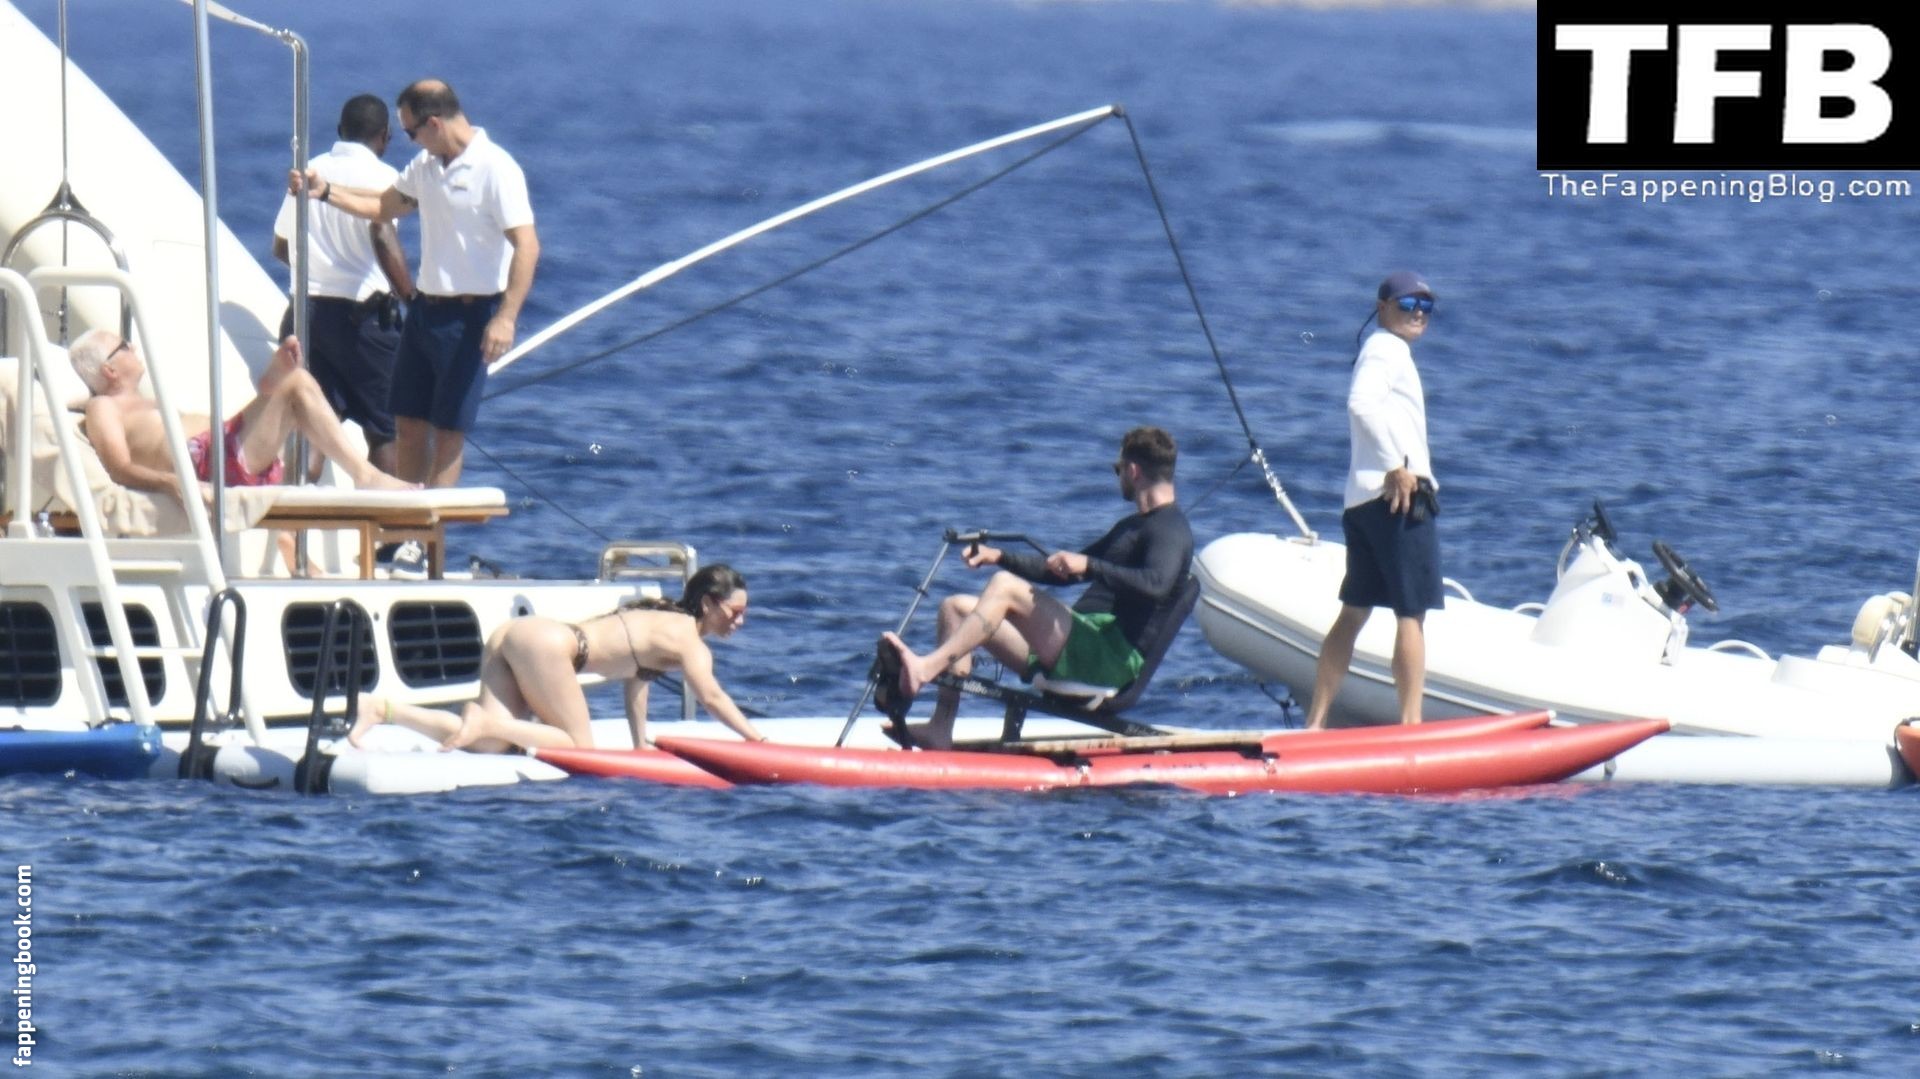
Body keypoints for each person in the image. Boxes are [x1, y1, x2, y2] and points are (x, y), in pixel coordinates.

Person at [290, 78, 539, 489]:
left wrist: (506, 318)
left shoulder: (496, 168)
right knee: (407, 424)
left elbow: (526, 245)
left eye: (410, 132)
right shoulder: (425, 167)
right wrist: (326, 191)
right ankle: (405, 518)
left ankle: (432, 527)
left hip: (470, 317)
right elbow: (382, 206)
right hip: (425, 311)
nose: (408, 141)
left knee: (448, 432)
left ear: (434, 123)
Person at [883, 426, 1194, 749]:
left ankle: (924, 670)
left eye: (1119, 470)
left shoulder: (1170, 529)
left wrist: (1090, 565)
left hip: (1108, 661)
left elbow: (1157, 585)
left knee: (1005, 588)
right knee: (955, 608)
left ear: (1133, 471)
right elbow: (1061, 572)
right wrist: (999, 557)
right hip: (1080, 648)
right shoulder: (1131, 527)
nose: (1119, 478)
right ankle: (940, 727)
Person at [350, 564, 769, 753]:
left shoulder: (667, 623)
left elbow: (636, 686)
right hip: (549, 645)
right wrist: (757, 741)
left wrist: (639, 745)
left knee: (490, 744)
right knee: (578, 745)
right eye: (735, 611)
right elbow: (712, 698)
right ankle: (486, 721)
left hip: (520, 635)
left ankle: (383, 710)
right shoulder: (690, 641)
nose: (741, 621)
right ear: (709, 603)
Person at [1303, 270, 1443, 729]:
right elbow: (1360, 404)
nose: (1418, 313)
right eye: (1408, 305)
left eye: (1426, 306)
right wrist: (1395, 466)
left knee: (1355, 610)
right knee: (1411, 613)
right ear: (1382, 308)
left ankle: (1316, 722)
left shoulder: (1379, 349)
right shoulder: (1387, 349)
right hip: (1399, 498)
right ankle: (1411, 726)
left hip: (1362, 502)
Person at [70, 329, 417, 501]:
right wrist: (171, 483)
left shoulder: (146, 401)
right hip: (203, 462)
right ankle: (365, 475)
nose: (132, 347)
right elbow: (119, 467)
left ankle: (273, 384)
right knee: (298, 384)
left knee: (297, 386)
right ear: (109, 370)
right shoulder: (103, 407)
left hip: (218, 449)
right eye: (123, 347)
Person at [270, 93, 415, 476]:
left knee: (314, 423)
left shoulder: (311, 171)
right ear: (385, 136)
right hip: (363, 323)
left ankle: (295, 506)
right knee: (385, 431)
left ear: (340, 130)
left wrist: (321, 266)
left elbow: (281, 247)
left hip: (306, 315)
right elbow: (382, 234)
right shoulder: (386, 178)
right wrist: (413, 300)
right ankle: (386, 515)